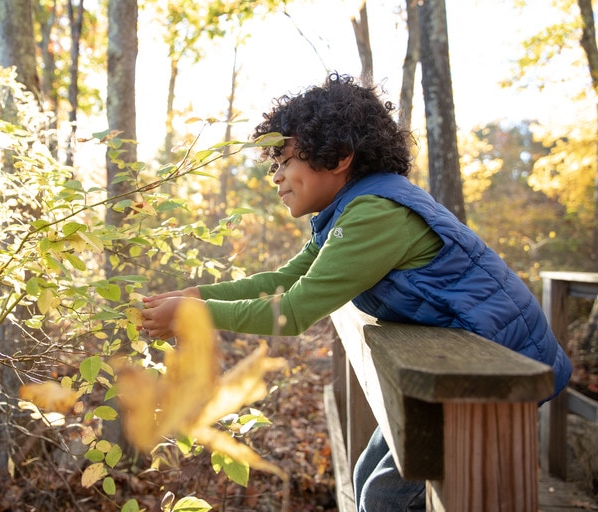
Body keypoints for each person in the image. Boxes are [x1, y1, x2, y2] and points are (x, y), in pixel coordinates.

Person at [140, 72, 572, 511]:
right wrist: (197, 294)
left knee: (383, 497)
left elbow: (293, 309)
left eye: (285, 161)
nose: (276, 178)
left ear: (339, 156)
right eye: (274, 166)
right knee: (368, 474)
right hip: (460, 365)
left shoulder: (375, 213)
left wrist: (195, 315)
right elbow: (283, 281)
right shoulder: (351, 210)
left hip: (493, 376)